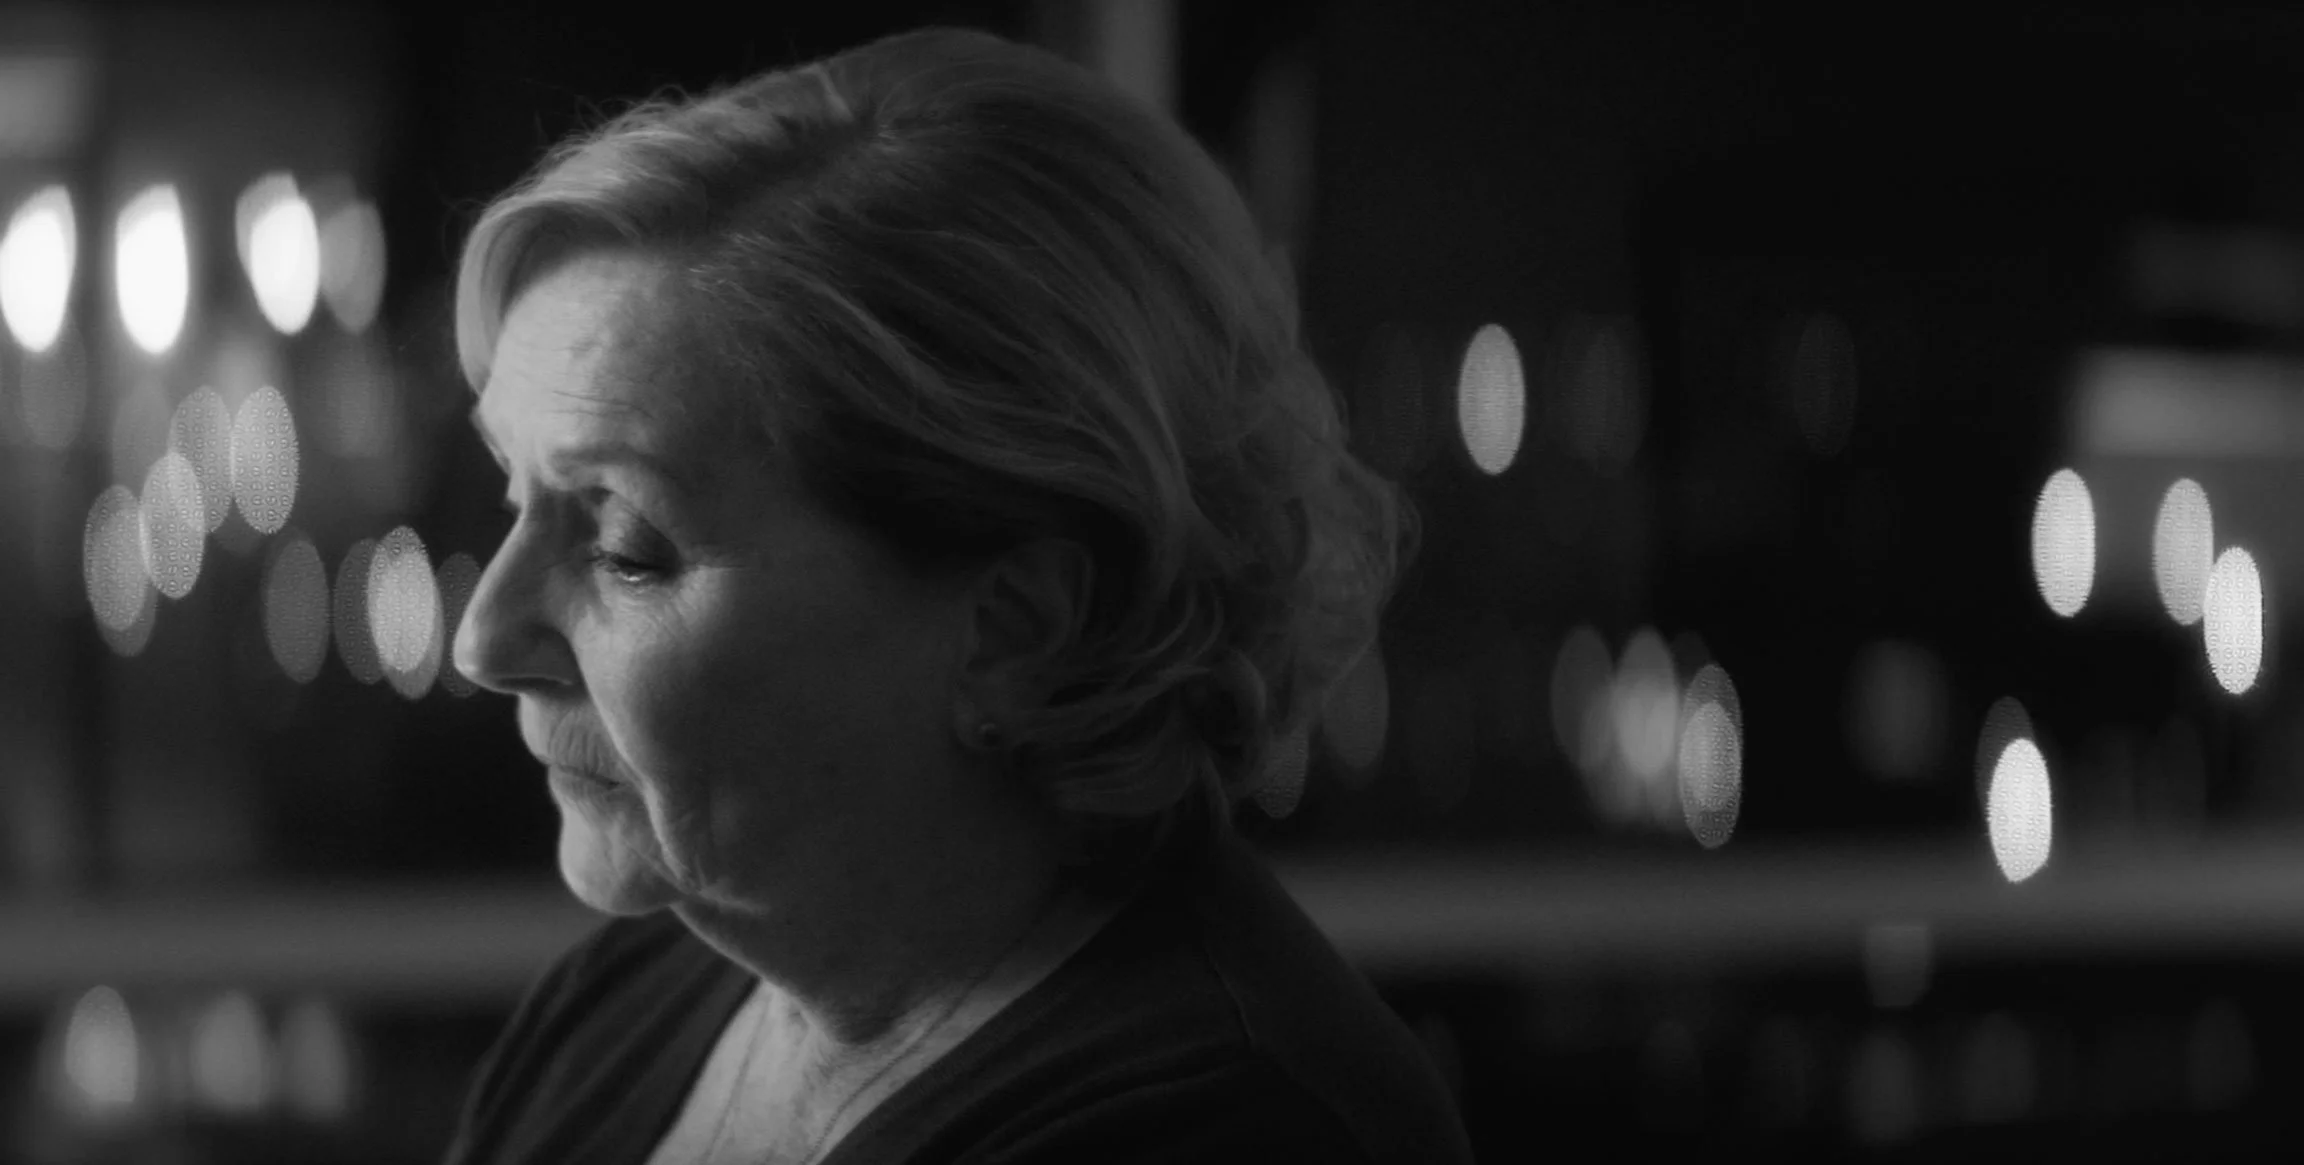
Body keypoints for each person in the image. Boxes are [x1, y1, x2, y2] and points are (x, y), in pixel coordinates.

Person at [440, 24, 1467, 1165]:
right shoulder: (626, 1001)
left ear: (1023, 628)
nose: (483, 637)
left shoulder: (1227, 1130)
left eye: (629, 549)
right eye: (509, 494)